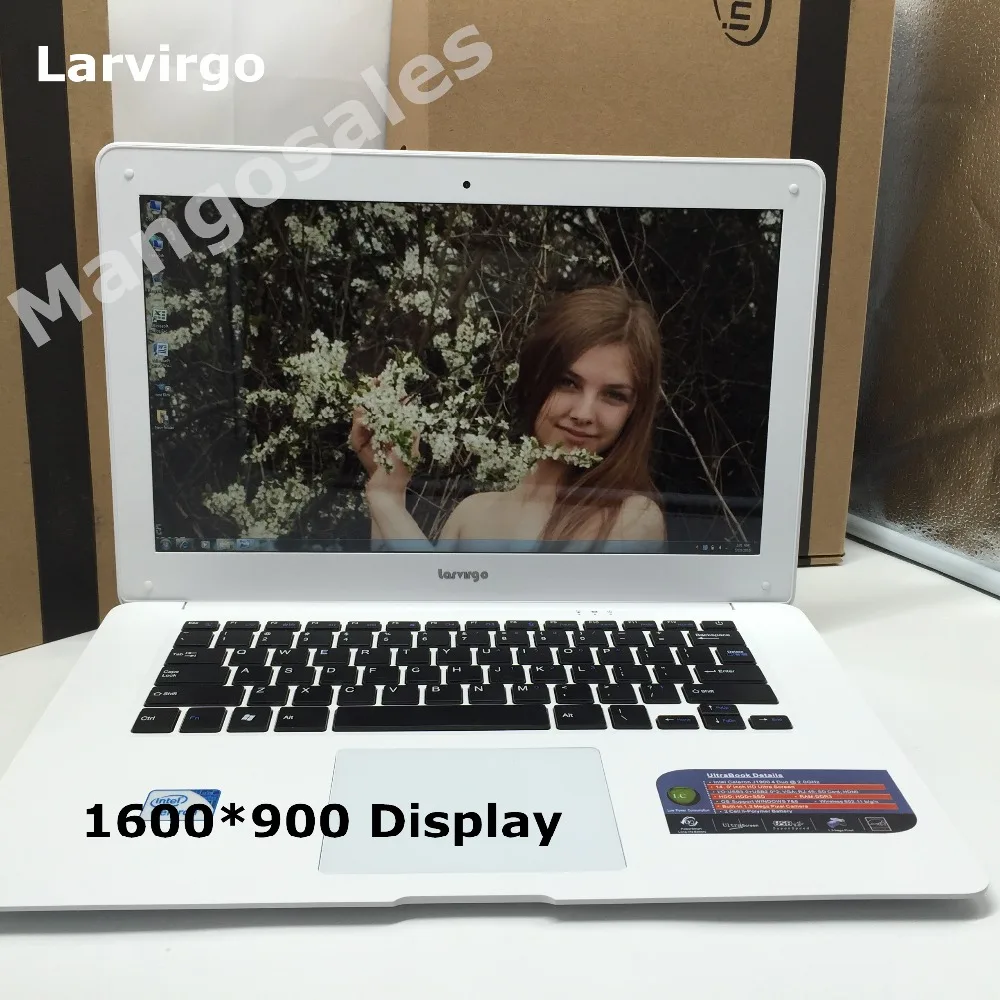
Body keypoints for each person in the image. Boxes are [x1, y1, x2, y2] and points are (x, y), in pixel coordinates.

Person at [349, 284, 665, 548]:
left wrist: (387, 501)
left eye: (614, 395)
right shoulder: (472, 514)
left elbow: (443, 592)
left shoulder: (631, 519)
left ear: (634, 410)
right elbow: (409, 596)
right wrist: (389, 485)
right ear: (534, 380)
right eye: (567, 383)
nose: (584, 414)